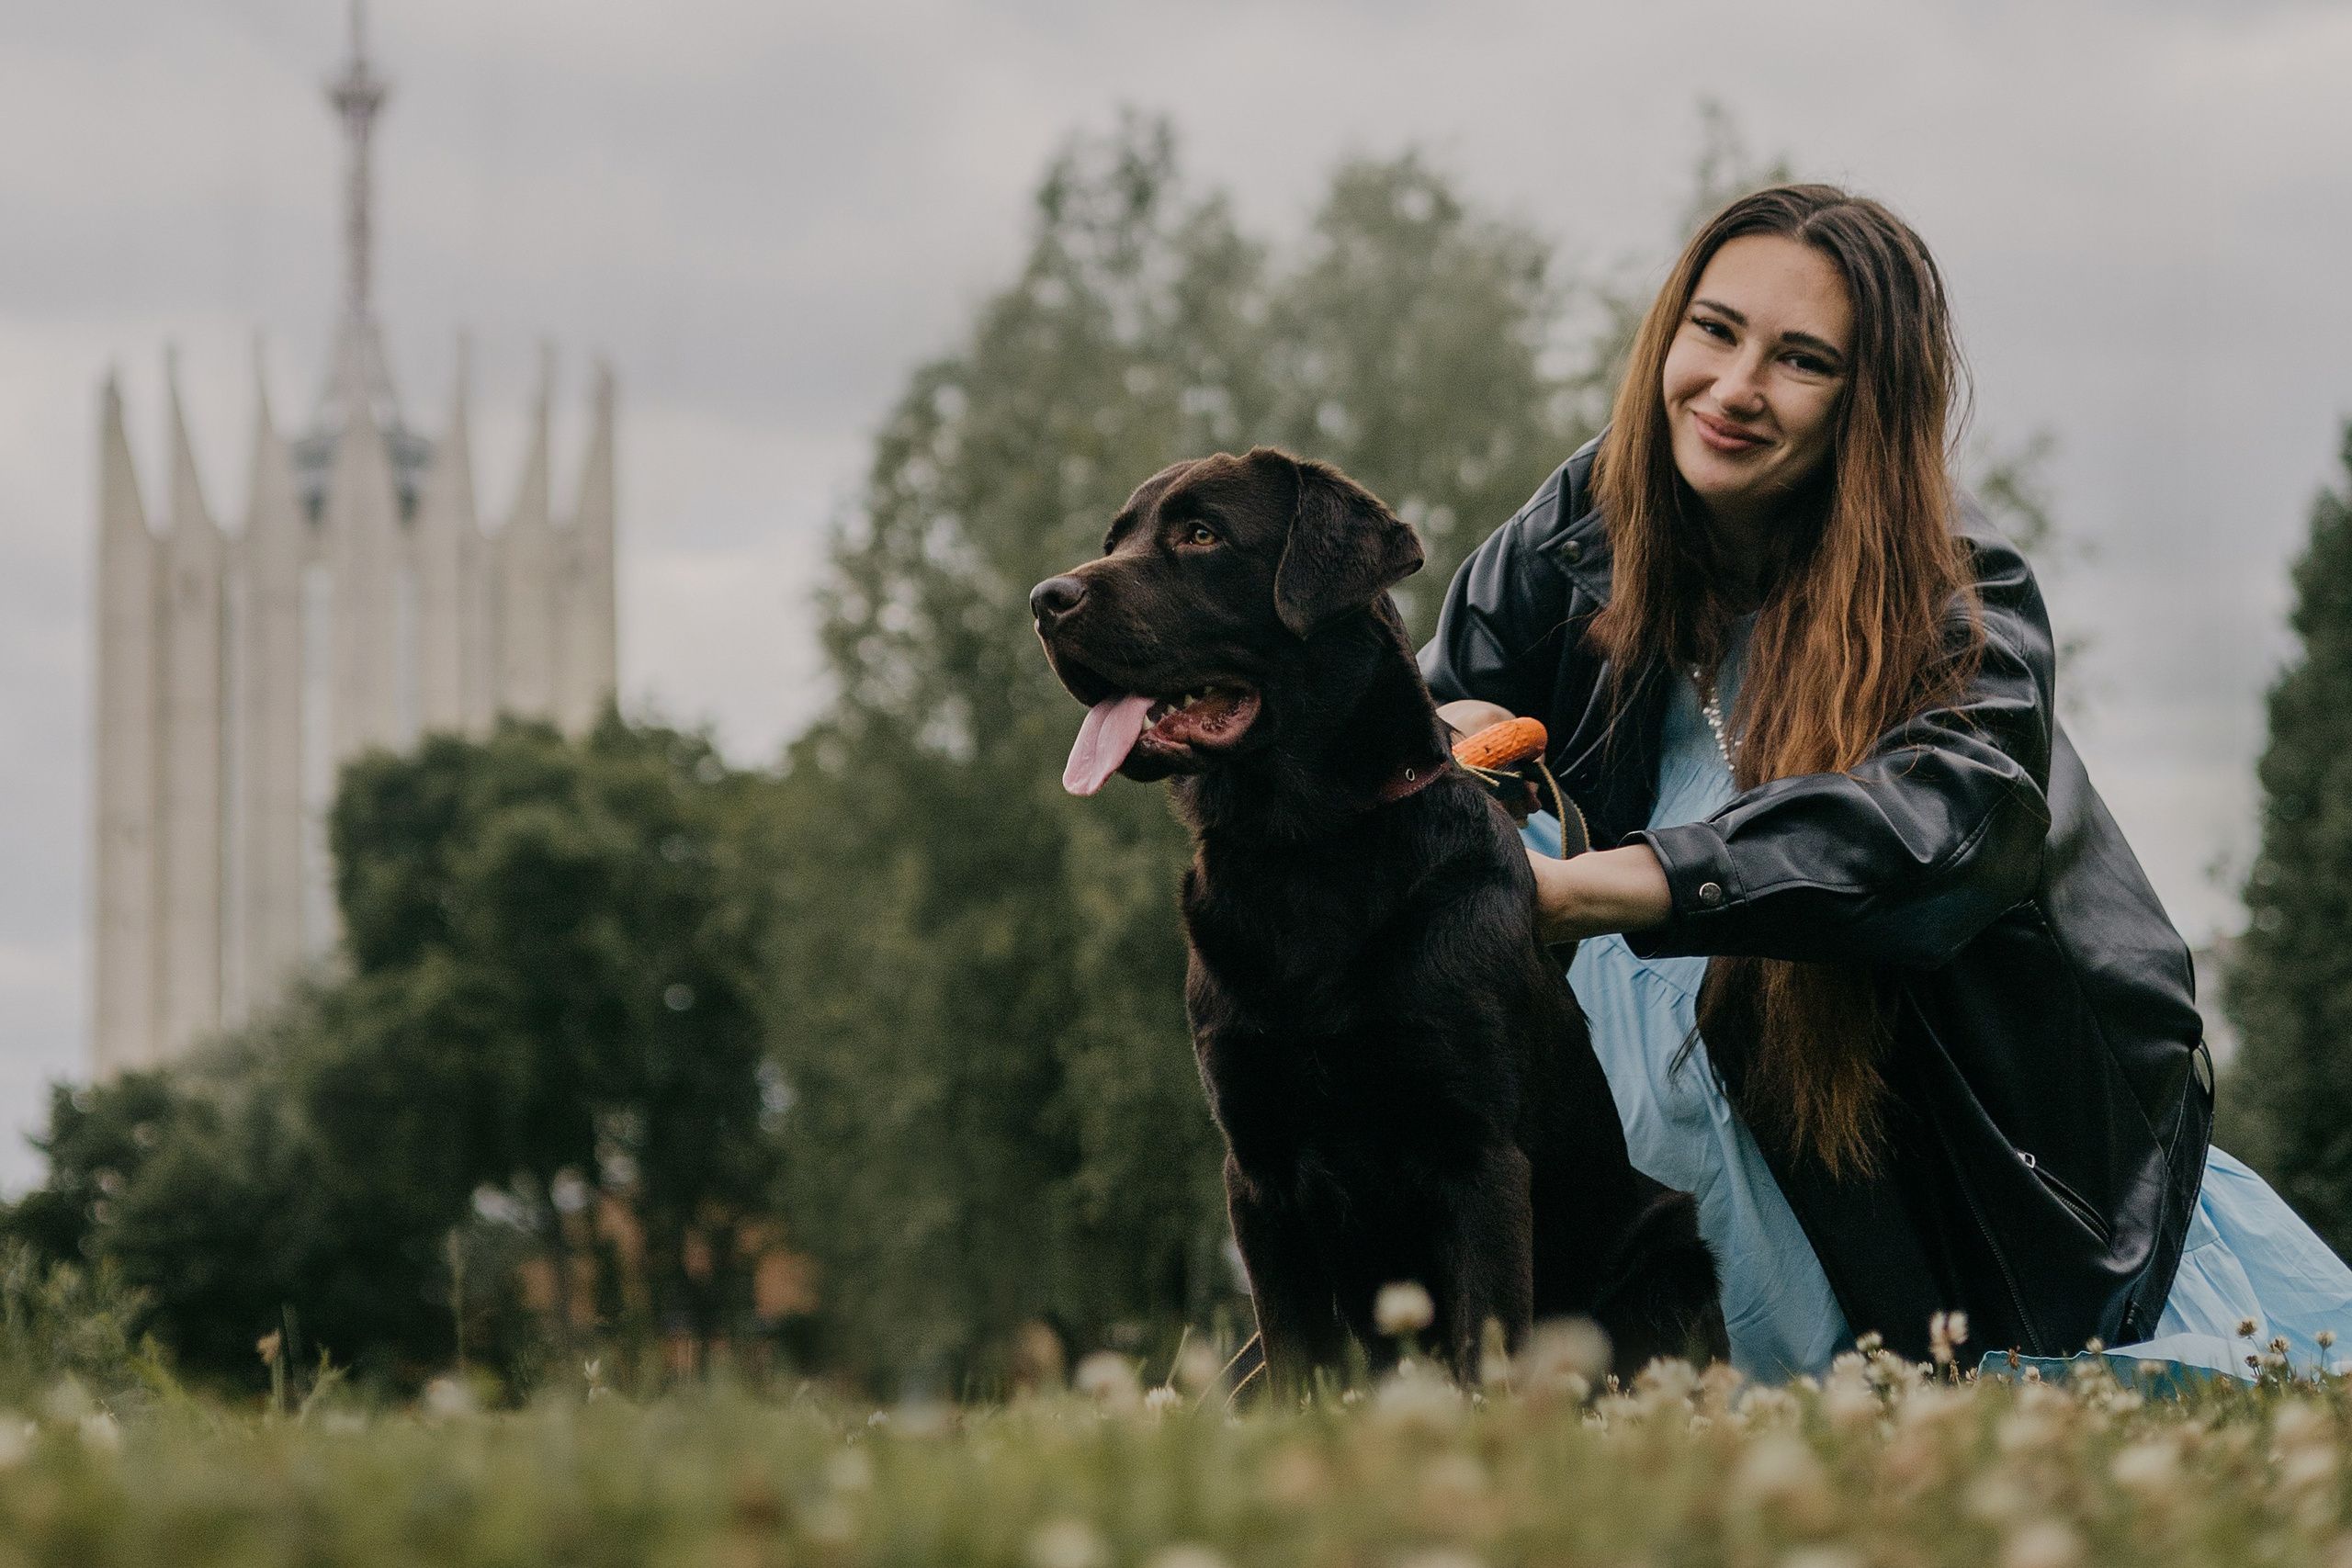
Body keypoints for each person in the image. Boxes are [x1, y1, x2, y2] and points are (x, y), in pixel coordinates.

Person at [1420, 183, 2352, 1382]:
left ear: (1869, 403)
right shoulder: (1579, 526)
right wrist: (1465, 727)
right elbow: (1454, 692)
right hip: (1644, 1110)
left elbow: (1944, 824)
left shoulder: (1964, 591)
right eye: (1715, 330)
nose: (1736, 387)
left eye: (1801, 360)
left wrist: (1610, 887)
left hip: (1959, 1155)